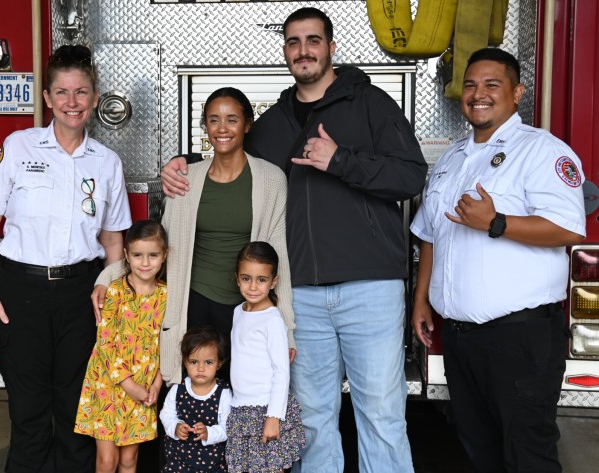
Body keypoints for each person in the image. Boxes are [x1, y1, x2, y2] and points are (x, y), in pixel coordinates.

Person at [161, 8, 427, 473]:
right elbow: (230, 153)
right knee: (313, 420)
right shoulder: (278, 120)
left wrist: (341, 159)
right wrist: (182, 162)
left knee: (382, 415)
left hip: (371, 290)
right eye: (294, 42)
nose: (303, 50)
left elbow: (411, 176)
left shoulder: (371, 104)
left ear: (331, 46)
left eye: (313, 40)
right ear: (285, 50)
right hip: (300, 294)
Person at [411, 48, 586, 473]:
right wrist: (420, 302)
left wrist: (497, 222)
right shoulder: (452, 158)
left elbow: (568, 229)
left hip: (520, 337)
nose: (478, 94)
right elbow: (431, 234)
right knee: (479, 449)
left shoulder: (542, 151)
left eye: (492, 84)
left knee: (528, 453)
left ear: (517, 92)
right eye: (470, 85)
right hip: (461, 338)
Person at [0, 44, 132, 472]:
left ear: (95, 97)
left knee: (75, 411)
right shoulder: (19, 147)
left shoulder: (107, 162)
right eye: (61, 92)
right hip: (20, 293)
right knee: (28, 415)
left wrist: (113, 301)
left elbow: (114, 241)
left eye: (81, 92)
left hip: (83, 296)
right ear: (47, 98)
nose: (71, 102)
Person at [94, 86, 295, 387]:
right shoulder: (185, 180)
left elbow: (278, 257)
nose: (222, 129)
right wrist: (107, 277)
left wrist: (287, 327)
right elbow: (161, 248)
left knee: (242, 393)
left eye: (231, 119)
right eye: (213, 120)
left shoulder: (271, 180)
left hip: (245, 306)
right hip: (194, 303)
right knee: (193, 397)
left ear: (247, 124)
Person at [75, 220, 168, 473]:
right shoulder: (114, 291)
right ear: (126, 255)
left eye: (153, 255)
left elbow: (167, 345)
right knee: (107, 461)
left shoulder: (165, 296)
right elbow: (105, 343)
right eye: (138, 255)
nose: (145, 262)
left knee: (129, 461)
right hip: (108, 384)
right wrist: (129, 384)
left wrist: (156, 386)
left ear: (164, 255)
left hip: (144, 387)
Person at [227, 241, 305, 472]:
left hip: (265, 408)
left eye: (261, 280)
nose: (253, 286)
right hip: (242, 409)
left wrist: (273, 416)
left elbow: (281, 371)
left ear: (273, 282)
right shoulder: (237, 312)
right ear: (237, 278)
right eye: (246, 278)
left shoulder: (272, 319)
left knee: (271, 468)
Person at [160, 326, 232, 472]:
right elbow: (166, 414)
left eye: (208, 362)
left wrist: (209, 432)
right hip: (178, 463)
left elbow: (228, 428)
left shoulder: (223, 393)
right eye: (194, 362)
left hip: (211, 465)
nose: (200, 368)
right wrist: (175, 427)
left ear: (219, 364)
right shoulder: (177, 389)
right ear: (185, 362)